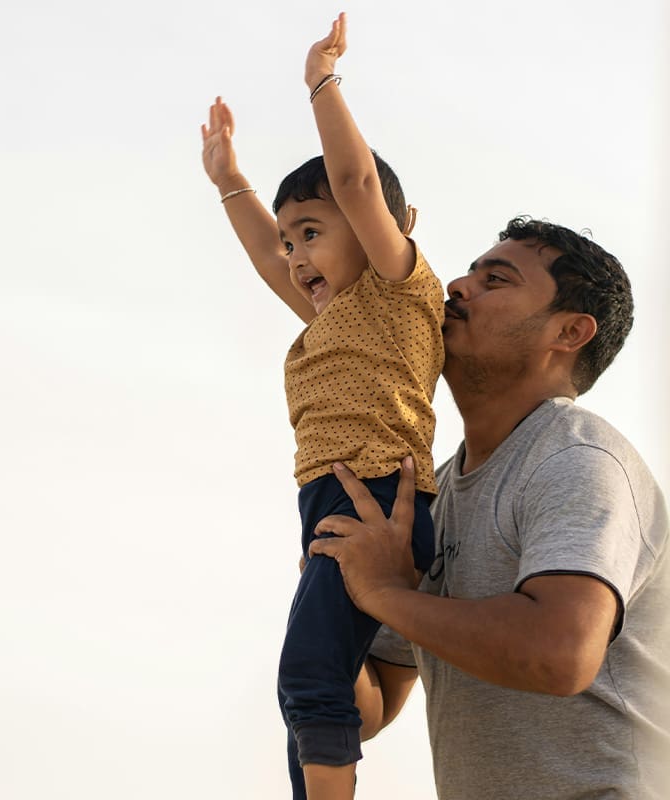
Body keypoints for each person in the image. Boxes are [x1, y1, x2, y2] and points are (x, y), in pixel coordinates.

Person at [310, 217, 670, 799]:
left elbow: (560, 654)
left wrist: (383, 594)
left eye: (496, 279)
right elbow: (372, 707)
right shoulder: (435, 493)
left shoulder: (577, 459)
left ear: (571, 331)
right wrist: (333, 587)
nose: (456, 286)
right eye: (471, 271)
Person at [201, 13, 443, 800]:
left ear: (393, 229)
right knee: (309, 700)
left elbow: (356, 184)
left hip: (375, 499)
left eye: (312, 232)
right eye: (292, 239)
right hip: (329, 504)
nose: (298, 254)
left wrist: (321, 82)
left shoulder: (398, 288)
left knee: (308, 675)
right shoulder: (331, 317)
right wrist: (229, 182)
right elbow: (268, 258)